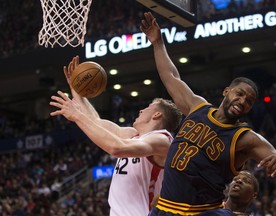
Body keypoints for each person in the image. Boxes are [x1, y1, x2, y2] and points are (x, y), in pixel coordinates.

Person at [140, 12, 276, 215]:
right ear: (227, 91)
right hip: (164, 209)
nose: (242, 101)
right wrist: (157, 42)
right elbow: (171, 76)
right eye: (240, 94)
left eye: (249, 101)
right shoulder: (197, 107)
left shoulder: (246, 138)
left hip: (202, 212)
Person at [49, 56, 183, 216]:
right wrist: (78, 92)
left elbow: (116, 148)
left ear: (157, 115)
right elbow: (96, 122)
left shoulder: (162, 140)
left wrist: (77, 116)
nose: (141, 110)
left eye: (148, 107)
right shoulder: (133, 135)